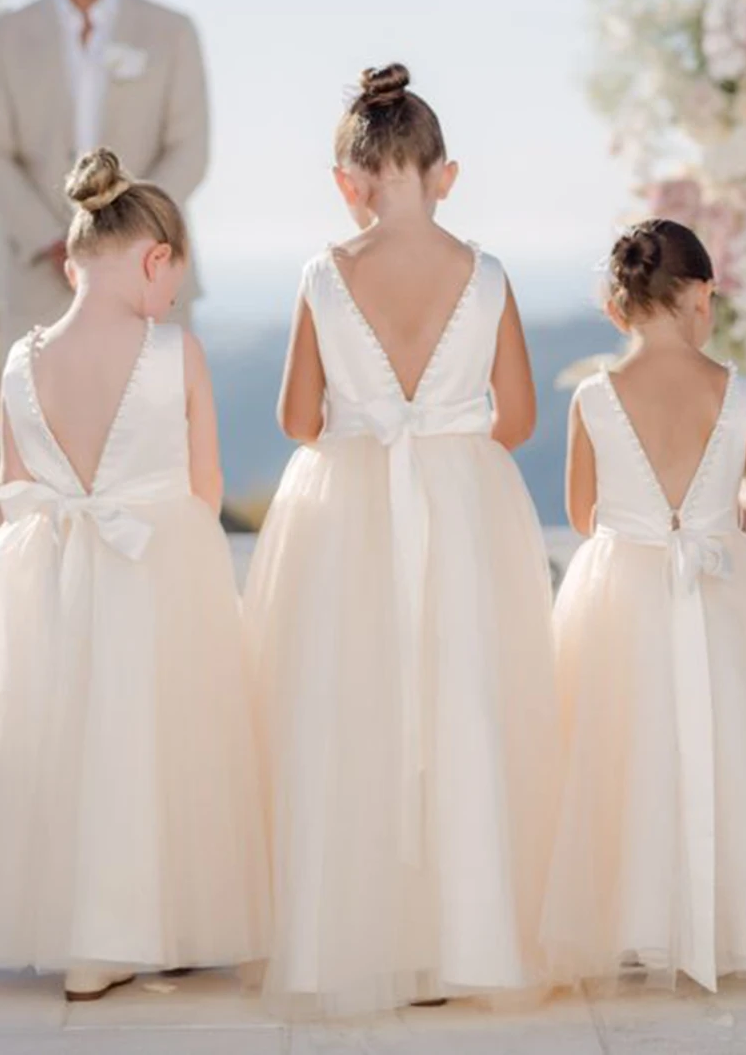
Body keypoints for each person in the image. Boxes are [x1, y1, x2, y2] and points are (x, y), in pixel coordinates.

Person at [0, 149, 269, 1001]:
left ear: (69, 255)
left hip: (44, 568)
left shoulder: (22, 360)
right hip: (153, 565)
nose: (169, 301)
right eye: (170, 283)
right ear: (154, 260)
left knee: (58, 746)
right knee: (153, 745)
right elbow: (206, 488)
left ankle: (68, 923)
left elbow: (10, 498)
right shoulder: (173, 351)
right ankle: (132, 927)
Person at [244, 64, 560, 1017]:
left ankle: (351, 936)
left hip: (346, 510)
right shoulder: (492, 275)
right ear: (445, 174)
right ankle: (467, 937)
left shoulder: (322, 275)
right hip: (465, 505)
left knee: (349, 708)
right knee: (465, 702)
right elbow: (519, 419)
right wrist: (442, 442)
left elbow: (300, 417)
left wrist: (375, 425)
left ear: (350, 182)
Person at [540, 218, 746, 992]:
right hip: (724, 589)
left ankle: (634, 923)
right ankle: (745, 921)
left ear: (620, 306)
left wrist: (652, 518)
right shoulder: (736, 390)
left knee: (625, 747)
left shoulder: (593, 396)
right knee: (734, 747)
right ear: (699, 297)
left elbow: (585, 514)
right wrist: (730, 502)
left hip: (621, 591)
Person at [0, 0, 208, 352]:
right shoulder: (5, 37)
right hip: (38, 279)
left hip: (147, 271)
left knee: (153, 423)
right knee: (38, 425)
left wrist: (128, 234)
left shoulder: (172, 32)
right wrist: (55, 241)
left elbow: (190, 148)